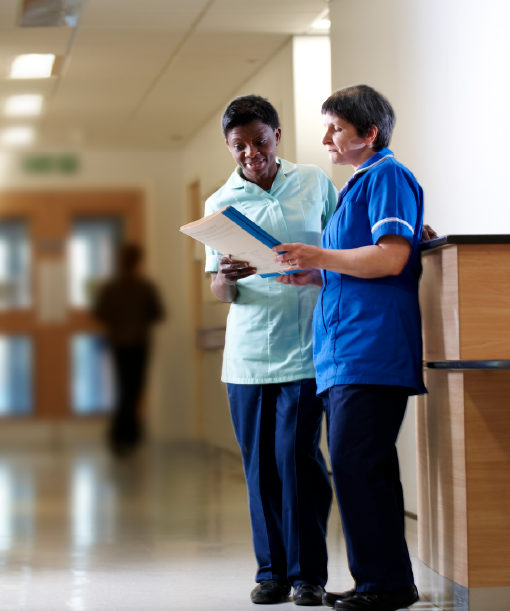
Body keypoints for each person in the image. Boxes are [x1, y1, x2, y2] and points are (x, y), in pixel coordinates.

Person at [273, 85, 425, 611]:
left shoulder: (387, 176)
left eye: (335, 128)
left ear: (369, 134)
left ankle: (383, 585)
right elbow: (355, 264)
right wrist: (317, 271)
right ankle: (383, 582)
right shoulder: (358, 186)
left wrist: (319, 253)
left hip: (372, 348)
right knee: (361, 465)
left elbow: (389, 258)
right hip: (345, 351)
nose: (326, 138)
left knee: (358, 463)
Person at [205, 94, 337, 606]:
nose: (250, 154)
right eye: (239, 146)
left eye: (259, 142)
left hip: (305, 348)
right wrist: (223, 277)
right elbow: (221, 294)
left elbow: (343, 246)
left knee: (297, 457)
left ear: (277, 136)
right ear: (230, 147)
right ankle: (272, 572)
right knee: (260, 466)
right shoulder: (221, 203)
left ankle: (309, 576)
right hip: (246, 358)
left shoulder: (313, 183)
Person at [91, 243, 164, 456]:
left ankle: (125, 435)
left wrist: (117, 319)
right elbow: (157, 313)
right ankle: (124, 435)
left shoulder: (111, 287)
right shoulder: (144, 287)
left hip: (119, 343)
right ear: (137, 262)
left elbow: (99, 313)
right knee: (133, 389)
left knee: (125, 388)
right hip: (139, 343)